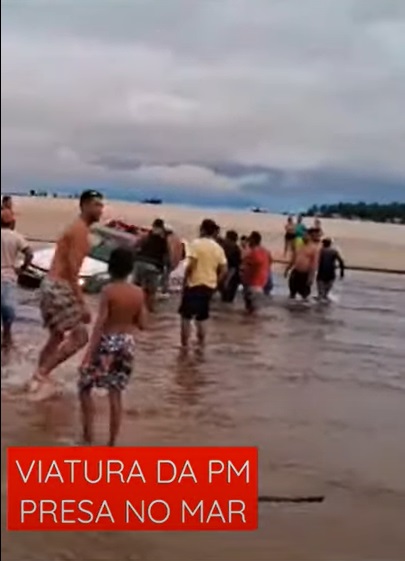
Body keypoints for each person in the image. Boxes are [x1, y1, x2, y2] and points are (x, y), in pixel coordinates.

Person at [29, 190, 104, 395]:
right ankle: (42, 374)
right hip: (58, 286)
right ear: (84, 206)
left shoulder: (77, 229)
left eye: (101, 205)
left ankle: (37, 379)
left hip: (50, 285)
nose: (100, 209)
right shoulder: (79, 231)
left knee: (56, 336)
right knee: (80, 337)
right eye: (96, 205)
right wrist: (82, 304)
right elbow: (72, 271)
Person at [78, 247, 147, 446]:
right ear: (130, 269)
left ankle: (88, 437)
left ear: (110, 267)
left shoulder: (108, 291)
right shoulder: (138, 293)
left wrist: (88, 355)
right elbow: (143, 324)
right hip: (127, 344)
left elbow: (100, 324)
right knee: (115, 393)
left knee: (84, 386)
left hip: (108, 341)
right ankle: (111, 443)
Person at [179, 219, 227, 349]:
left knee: (186, 316)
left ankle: (184, 346)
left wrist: (185, 282)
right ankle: (201, 345)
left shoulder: (195, 244)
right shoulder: (218, 248)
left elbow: (192, 264)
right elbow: (224, 270)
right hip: (208, 287)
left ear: (202, 230)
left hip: (193, 284)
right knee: (202, 317)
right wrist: (216, 283)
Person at [1, 209, 33, 351]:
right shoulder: (16, 237)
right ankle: (7, 337)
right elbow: (29, 253)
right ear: (12, 222)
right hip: (8, 276)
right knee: (8, 309)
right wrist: (23, 268)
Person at [133, 218, 170, 311]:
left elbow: (135, 246)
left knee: (136, 288)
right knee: (151, 292)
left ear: (153, 226)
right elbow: (167, 256)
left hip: (139, 263)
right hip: (153, 266)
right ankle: (149, 311)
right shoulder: (164, 240)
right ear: (162, 228)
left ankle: (133, 309)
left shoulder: (146, 235)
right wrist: (166, 269)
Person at [285, 229, 319, 301]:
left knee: (304, 295)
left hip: (305, 274)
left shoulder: (314, 249)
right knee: (292, 292)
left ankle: (304, 309)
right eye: (303, 235)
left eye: (306, 235)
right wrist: (287, 269)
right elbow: (293, 259)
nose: (304, 237)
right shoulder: (299, 246)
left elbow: (314, 264)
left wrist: (311, 277)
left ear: (310, 237)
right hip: (295, 272)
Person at [241, 231, 270, 314]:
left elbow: (244, 265)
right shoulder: (265, 251)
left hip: (253, 285)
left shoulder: (253, 253)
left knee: (251, 313)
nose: (249, 242)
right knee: (253, 313)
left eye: (250, 240)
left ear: (253, 241)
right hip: (260, 284)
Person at [220, 230, 242, 303]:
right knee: (225, 299)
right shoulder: (233, 249)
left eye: (226, 238)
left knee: (227, 299)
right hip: (230, 277)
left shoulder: (234, 250)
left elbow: (234, 267)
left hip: (231, 278)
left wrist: (227, 280)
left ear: (230, 239)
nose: (225, 240)